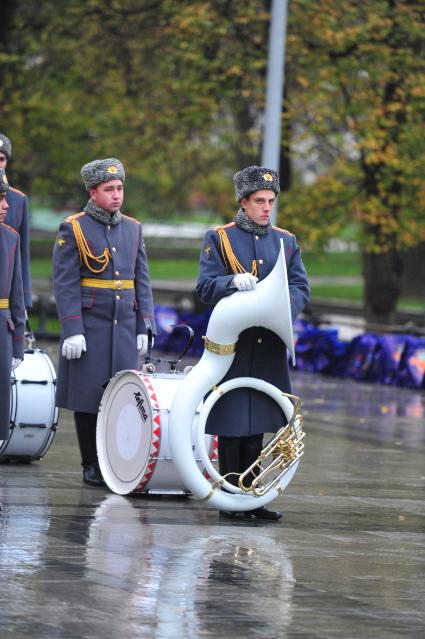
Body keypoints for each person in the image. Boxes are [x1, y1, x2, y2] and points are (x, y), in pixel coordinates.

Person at [196, 165, 310, 521]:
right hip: (235, 344)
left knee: (258, 420)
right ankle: (232, 496)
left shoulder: (286, 240)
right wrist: (231, 282)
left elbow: (300, 286)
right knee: (232, 422)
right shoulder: (220, 238)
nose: (266, 208)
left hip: (268, 344)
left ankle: (253, 498)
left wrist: (281, 308)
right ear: (243, 202)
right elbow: (204, 287)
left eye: (270, 200)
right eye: (259, 201)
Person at [52, 158, 156, 487]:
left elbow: (142, 280)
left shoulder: (133, 228)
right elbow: (65, 282)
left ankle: (114, 460)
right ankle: (90, 464)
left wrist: (145, 324)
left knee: (121, 395)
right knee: (89, 398)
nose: (116, 195)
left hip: (124, 325)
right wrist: (72, 329)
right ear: (92, 192)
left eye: (120, 188)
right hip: (91, 326)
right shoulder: (74, 227)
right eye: (109, 189)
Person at [0, 168, 25, 467]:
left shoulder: (10, 237)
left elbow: (16, 296)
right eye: (0, 198)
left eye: (6, 198)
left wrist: (17, 344)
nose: (6, 205)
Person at [0, 133, 32, 309]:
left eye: (2, 159)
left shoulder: (18, 200)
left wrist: (25, 300)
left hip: (7, 292)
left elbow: (23, 253)